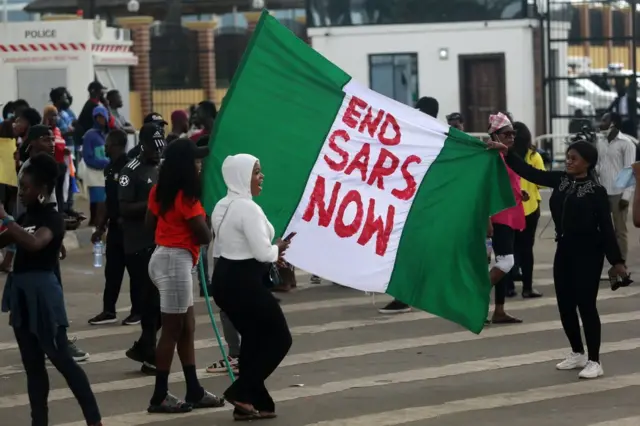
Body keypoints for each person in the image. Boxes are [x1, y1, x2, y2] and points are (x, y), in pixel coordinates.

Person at [489, 137, 628, 379]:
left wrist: (617, 262)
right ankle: (577, 352)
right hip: (564, 250)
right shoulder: (560, 180)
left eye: (574, 158)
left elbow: (606, 229)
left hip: (588, 254)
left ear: (588, 163)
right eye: (568, 157)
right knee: (565, 305)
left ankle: (595, 360)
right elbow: (529, 172)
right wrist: (507, 151)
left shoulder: (596, 192)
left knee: (586, 305)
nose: (569, 161)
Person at [0, 153, 102, 426]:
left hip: (43, 296)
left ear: (43, 189)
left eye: (26, 187)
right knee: (33, 367)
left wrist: (7, 221)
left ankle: (94, 420)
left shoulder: (52, 218)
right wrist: (8, 225)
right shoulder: (25, 216)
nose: (21, 192)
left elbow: (34, 243)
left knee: (62, 360)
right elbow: (8, 239)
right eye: (20, 187)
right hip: (21, 293)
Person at [211, 153, 292, 420]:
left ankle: (252, 402)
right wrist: (277, 247)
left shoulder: (224, 204)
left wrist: (271, 248)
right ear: (242, 177)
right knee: (280, 338)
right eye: (257, 172)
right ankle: (241, 392)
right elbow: (262, 253)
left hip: (225, 279)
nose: (262, 176)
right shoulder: (247, 208)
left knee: (254, 339)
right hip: (243, 282)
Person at [145, 138, 224, 412]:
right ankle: (159, 395)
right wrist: (206, 221)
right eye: (196, 161)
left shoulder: (160, 191)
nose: (200, 165)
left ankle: (194, 389)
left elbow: (149, 223)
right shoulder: (188, 197)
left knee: (186, 327)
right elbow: (203, 235)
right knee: (172, 330)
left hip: (164, 257)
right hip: (176, 262)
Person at [379, 96, 439, 315]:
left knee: (404, 250)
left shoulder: (421, 134)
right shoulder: (437, 135)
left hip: (414, 204)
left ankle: (403, 296)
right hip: (420, 202)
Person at [120, 123, 165, 374]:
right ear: (142, 145)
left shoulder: (159, 166)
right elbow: (124, 208)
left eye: (161, 148)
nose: (157, 153)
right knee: (150, 303)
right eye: (153, 148)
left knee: (158, 303)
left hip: (158, 242)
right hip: (138, 245)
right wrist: (153, 204)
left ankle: (144, 347)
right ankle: (148, 351)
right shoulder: (131, 170)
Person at [88, 129, 141, 326]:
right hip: (115, 230)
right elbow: (107, 201)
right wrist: (100, 228)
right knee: (112, 272)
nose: (105, 147)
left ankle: (138, 312)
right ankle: (108, 311)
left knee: (135, 273)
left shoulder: (131, 167)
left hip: (130, 229)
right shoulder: (109, 169)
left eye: (108, 143)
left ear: (117, 145)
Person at [486, 113, 525, 324]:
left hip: (510, 213)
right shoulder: (491, 157)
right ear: (495, 135)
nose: (511, 137)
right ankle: (476, 295)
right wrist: (486, 219)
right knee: (506, 262)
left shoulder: (506, 155)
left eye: (513, 133)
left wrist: (521, 194)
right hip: (497, 216)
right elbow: (483, 189)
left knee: (503, 264)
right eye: (506, 134)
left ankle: (499, 310)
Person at [596, 112, 635, 264]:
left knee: (620, 231)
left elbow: (628, 170)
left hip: (618, 193)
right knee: (604, 229)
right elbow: (600, 164)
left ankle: (622, 263)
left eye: (604, 120)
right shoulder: (601, 142)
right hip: (603, 192)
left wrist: (626, 196)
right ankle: (608, 261)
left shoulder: (626, 143)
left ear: (613, 123)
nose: (601, 122)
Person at [512, 122, 543, 298]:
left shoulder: (505, 157)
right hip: (531, 209)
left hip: (509, 209)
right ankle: (527, 288)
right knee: (526, 249)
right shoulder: (534, 156)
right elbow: (540, 181)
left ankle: (508, 287)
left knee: (509, 249)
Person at [82, 106, 110, 226]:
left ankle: (97, 224)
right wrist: (105, 162)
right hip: (94, 172)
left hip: (104, 172)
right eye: (98, 117)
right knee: (98, 201)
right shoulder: (90, 135)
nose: (100, 120)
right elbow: (88, 157)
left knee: (102, 200)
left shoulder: (106, 135)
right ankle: (97, 225)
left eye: (102, 117)